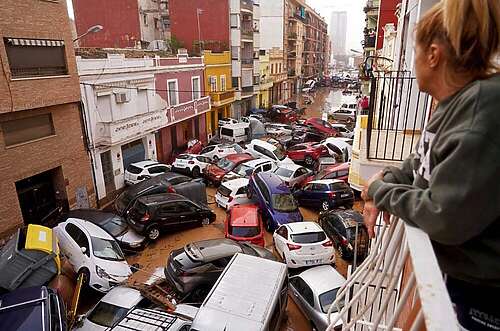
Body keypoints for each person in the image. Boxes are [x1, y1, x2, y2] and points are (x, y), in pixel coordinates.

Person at [361, 0, 500, 330]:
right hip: (461, 280)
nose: (413, 60)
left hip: (483, 299)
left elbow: (444, 215)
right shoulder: (458, 103)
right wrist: (391, 176)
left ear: (434, 55)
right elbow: (421, 160)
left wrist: (380, 190)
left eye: (415, 51)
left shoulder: (482, 108)